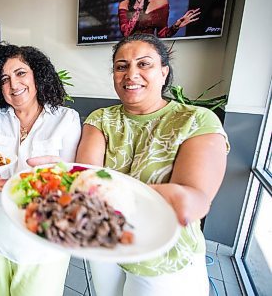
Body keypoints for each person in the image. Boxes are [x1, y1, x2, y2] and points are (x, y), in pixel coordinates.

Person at [74, 33, 229, 296]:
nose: (131, 74)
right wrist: (58, 175)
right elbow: (87, 179)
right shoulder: (100, 119)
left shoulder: (195, 120)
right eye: (121, 66)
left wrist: (184, 198)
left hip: (164, 258)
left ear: (164, 72)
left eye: (144, 64)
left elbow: (196, 198)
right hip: (106, 243)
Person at [0, 44, 81, 296]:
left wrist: (9, 185)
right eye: (4, 79)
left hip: (45, 238)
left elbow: (69, 183)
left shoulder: (66, 119)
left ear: (37, 75)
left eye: (20, 73)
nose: (13, 84)